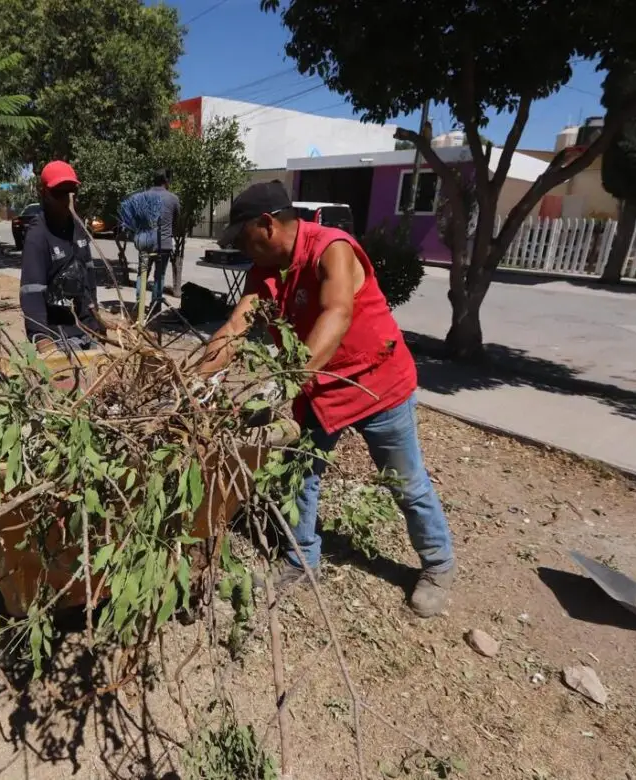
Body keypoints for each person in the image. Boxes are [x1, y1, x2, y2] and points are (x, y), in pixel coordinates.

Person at [195, 181, 456, 617]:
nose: (241, 248)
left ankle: (438, 564)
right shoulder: (265, 270)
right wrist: (195, 381)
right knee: (300, 475)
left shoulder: (331, 248)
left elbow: (337, 311)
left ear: (267, 224)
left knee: (405, 482)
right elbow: (236, 327)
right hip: (318, 390)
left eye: (244, 237)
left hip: (376, 384)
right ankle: (302, 559)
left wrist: (285, 381)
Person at [20, 161, 116, 352]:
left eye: (71, 192)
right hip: (57, 336)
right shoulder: (38, 235)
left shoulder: (77, 228)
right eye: (59, 193)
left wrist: (96, 321)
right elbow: (32, 291)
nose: (66, 199)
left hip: (86, 330)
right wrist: (42, 338)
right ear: (44, 194)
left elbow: (88, 279)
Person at [139, 169, 180, 314]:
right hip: (164, 244)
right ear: (166, 181)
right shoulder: (173, 199)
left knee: (142, 273)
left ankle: (139, 306)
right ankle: (155, 307)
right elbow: (176, 222)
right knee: (159, 276)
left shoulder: (143, 196)